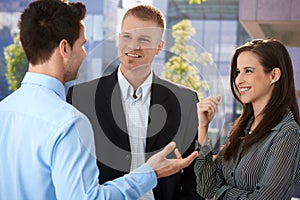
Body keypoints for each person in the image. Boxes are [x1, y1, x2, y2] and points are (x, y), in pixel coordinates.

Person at [0, 0, 199, 199]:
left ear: (159, 46)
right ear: (65, 48)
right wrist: (149, 174)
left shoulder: (4, 110)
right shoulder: (71, 117)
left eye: (144, 39)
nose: (85, 53)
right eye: (83, 45)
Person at [67, 4, 203, 200]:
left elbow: (192, 175)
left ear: (159, 47)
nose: (132, 46)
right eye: (127, 37)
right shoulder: (80, 97)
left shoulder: (185, 100)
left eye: (144, 40)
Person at [194, 38, 300, 199]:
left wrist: (219, 193)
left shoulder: (288, 134)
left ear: (274, 75)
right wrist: (203, 128)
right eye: (238, 72)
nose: (238, 80)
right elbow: (206, 189)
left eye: (248, 71)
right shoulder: (240, 128)